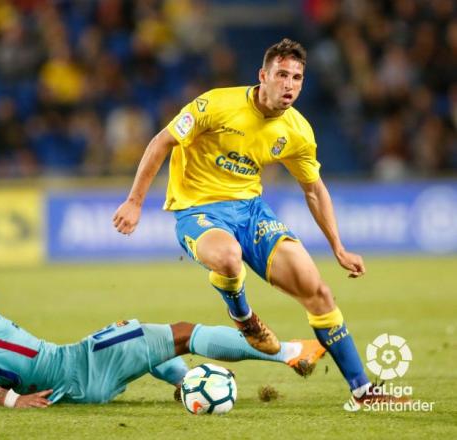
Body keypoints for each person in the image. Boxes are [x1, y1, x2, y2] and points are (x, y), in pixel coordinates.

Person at [113, 38, 397, 409]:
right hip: (199, 211)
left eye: (297, 77)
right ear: (263, 76)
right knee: (228, 257)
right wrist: (135, 202)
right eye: (282, 74)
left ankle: (363, 391)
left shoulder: (297, 131)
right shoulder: (215, 104)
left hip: (251, 213)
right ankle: (243, 316)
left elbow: (314, 190)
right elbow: (161, 141)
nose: (290, 84)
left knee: (319, 292)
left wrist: (338, 247)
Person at [0, 248, 325, 410]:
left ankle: (184, 386)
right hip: (77, 367)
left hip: (73, 380)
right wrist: (15, 402)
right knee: (185, 331)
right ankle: (290, 353)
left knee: (129, 328)